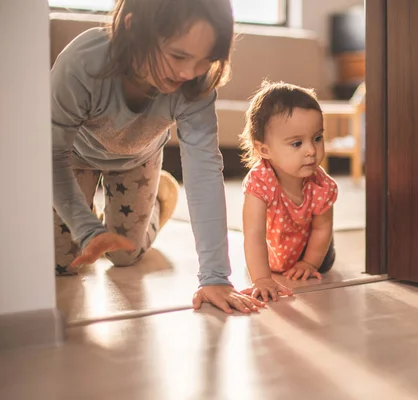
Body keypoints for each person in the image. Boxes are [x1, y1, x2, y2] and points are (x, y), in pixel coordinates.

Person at [51, 0, 264, 314]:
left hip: (137, 157)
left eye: (205, 60)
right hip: (75, 158)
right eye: (178, 55)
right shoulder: (82, 64)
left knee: (124, 255)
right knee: (62, 261)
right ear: (133, 28)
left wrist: (215, 276)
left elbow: (204, 169)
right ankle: (93, 214)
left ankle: (161, 198)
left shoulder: (196, 83)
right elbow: (52, 154)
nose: (189, 72)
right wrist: (86, 228)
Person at [239, 81, 339, 302]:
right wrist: (262, 279)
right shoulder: (259, 182)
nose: (311, 151)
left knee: (325, 256)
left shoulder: (321, 185)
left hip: (310, 247)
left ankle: (316, 258)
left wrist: (309, 263)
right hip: (273, 249)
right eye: (296, 144)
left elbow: (322, 227)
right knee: (258, 257)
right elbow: (253, 234)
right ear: (264, 150)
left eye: (317, 138)